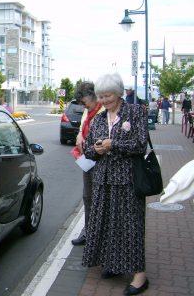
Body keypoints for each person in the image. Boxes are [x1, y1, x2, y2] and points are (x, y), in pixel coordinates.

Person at [82, 72, 149, 295]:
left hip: (128, 181)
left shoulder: (135, 112)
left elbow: (140, 144)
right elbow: (89, 150)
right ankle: (114, 264)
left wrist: (114, 145)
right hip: (103, 181)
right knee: (108, 225)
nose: (103, 101)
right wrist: (97, 149)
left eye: (108, 96)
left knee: (131, 227)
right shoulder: (100, 118)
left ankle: (140, 276)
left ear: (119, 93)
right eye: (101, 97)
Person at [70, 82, 105, 246]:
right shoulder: (88, 111)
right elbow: (82, 128)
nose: (83, 106)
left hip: (100, 162)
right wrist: (79, 136)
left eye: (84, 102)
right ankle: (90, 234)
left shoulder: (104, 111)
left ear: (94, 97)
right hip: (87, 161)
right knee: (88, 197)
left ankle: (100, 237)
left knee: (100, 200)